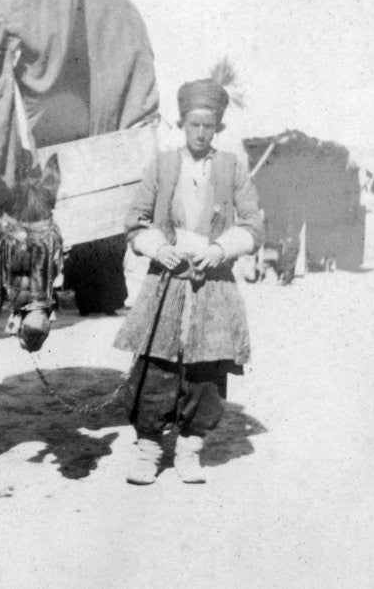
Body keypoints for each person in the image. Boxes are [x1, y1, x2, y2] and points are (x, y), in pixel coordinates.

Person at [113, 78, 264, 485]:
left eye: (209, 126)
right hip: (166, 281)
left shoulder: (232, 168)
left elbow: (253, 225)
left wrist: (219, 250)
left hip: (213, 286)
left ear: (218, 128)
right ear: (182, 123)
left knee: (206, 370)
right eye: (194, 124)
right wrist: (158, 247)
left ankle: (190, 450)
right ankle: (147, 450)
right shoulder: (163, 165)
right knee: (155, 365)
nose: (201, 133)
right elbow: (135, 221)